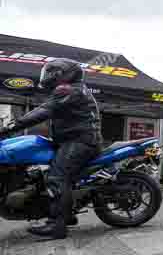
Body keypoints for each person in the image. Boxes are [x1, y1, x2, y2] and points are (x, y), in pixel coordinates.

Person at [0, 58, 102, 240]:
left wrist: (10, 126)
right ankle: (65, 214)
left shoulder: (67, 90)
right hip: (72, 139)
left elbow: (44, 110)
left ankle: (57, 225)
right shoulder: (74, 89)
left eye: (51, 72)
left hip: (80, 141)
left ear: (62, 74)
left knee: (57, 176)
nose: (47, 76)